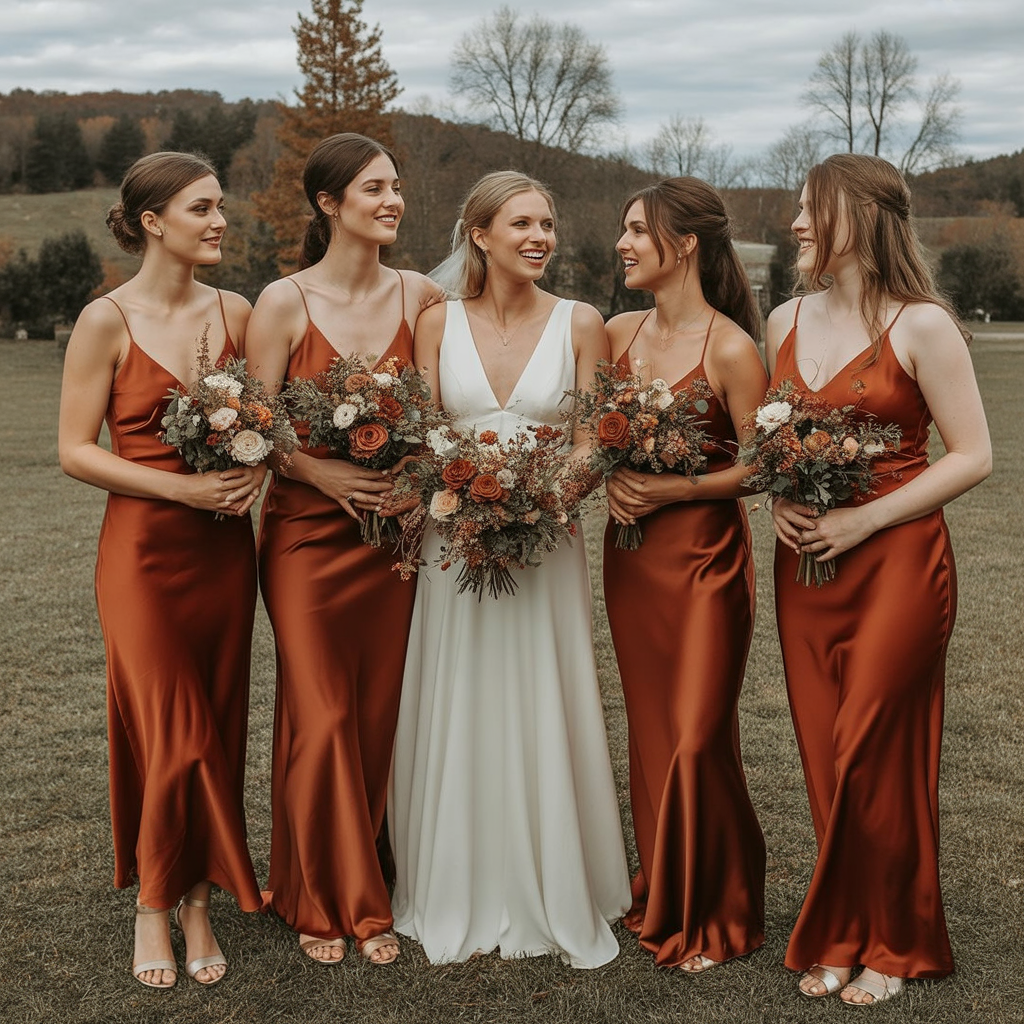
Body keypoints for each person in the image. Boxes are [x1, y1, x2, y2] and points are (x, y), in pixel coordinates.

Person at [389, 170, 631, 967]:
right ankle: (453, 880)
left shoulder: (582, 321)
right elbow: (423, 434)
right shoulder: (434, 322)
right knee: (459, 690)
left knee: (541, 688)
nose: (540, 238)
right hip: (452, 542)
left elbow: (596, 436)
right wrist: (458, 495)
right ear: (480, 234)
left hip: (548, 539)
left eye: (549, 225)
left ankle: (560, 879)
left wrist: (548, 497)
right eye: (522, 224)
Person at [766, 154, 991, 1006]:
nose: (795, 221)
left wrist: (866, 518)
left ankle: (896, 941)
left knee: (875, 748)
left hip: (897, 561)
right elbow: (777, 440)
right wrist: (781, 504)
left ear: (859, 217)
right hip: (806, 569)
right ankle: (841, 930)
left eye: (809, 207)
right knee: (826, 750)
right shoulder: (784, 315)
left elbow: (975, 456)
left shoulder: (922, 324)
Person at [58, 152, 263, 989]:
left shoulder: (240, 311)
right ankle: (157, 902)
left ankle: (198, 899)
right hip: (142, 553)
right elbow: (73, 451)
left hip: (223, 555)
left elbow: (266, 421)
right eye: (201, 208)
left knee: (214, 724)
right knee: (169, 727)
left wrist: (256, 467)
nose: (219, 221)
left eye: (220, 207)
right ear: (152, 221)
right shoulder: (105, 318)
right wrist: (180, 487)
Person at [245, 133, 441, 965]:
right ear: (329, 204)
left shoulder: (425, 297)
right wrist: (322, 475)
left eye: (395, 187)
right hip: (303, 535)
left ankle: (361, 867)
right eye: (373, 189)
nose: (392, 200)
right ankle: (335, 899)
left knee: (378, 715)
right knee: (321, 711)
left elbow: (441, 417)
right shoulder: (283, 301)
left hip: (393, 539)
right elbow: (259, 424)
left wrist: (418, 479)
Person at [602, 177, 768, 971]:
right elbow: (586, 438)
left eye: (639, 231)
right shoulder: (616, 334)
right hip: (632, 563)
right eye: (625, 230)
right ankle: (661, 888)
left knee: (698, 736)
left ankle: (714, 911)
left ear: (687, 243)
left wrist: (677, 487)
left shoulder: (731, 347)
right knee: (653, 733)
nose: (624, 244)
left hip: (706, 561)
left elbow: (764, 467)